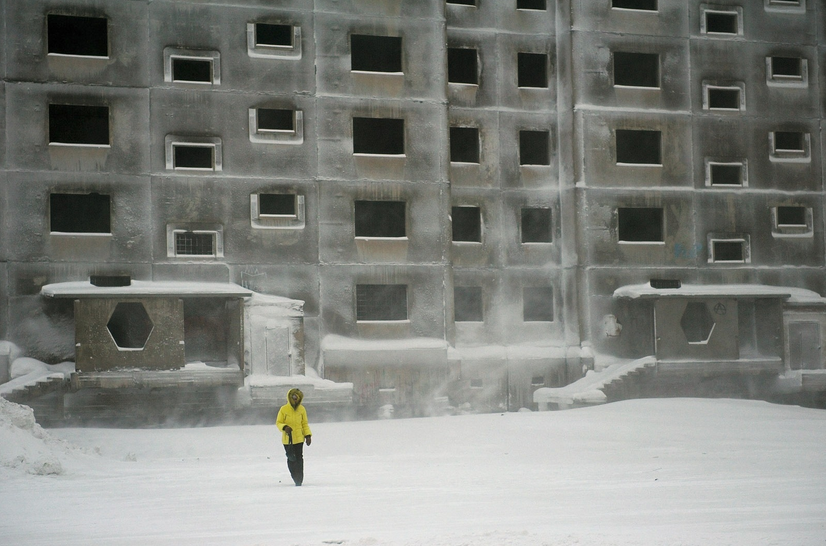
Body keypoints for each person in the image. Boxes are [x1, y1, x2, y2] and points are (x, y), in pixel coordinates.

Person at [276, 388, 312, 486]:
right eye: (293, 397)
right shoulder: (283, 409)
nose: (295, 399)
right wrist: (285, 427)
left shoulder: (302, 409)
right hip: (288, 440)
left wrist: (308, 435)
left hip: (299, 439)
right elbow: (278, 423)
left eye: (297, 397)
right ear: (290, 398)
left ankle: (299, 479)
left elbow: (304, 423)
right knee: (292, 459)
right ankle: (294, 475)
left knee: (299, 458)